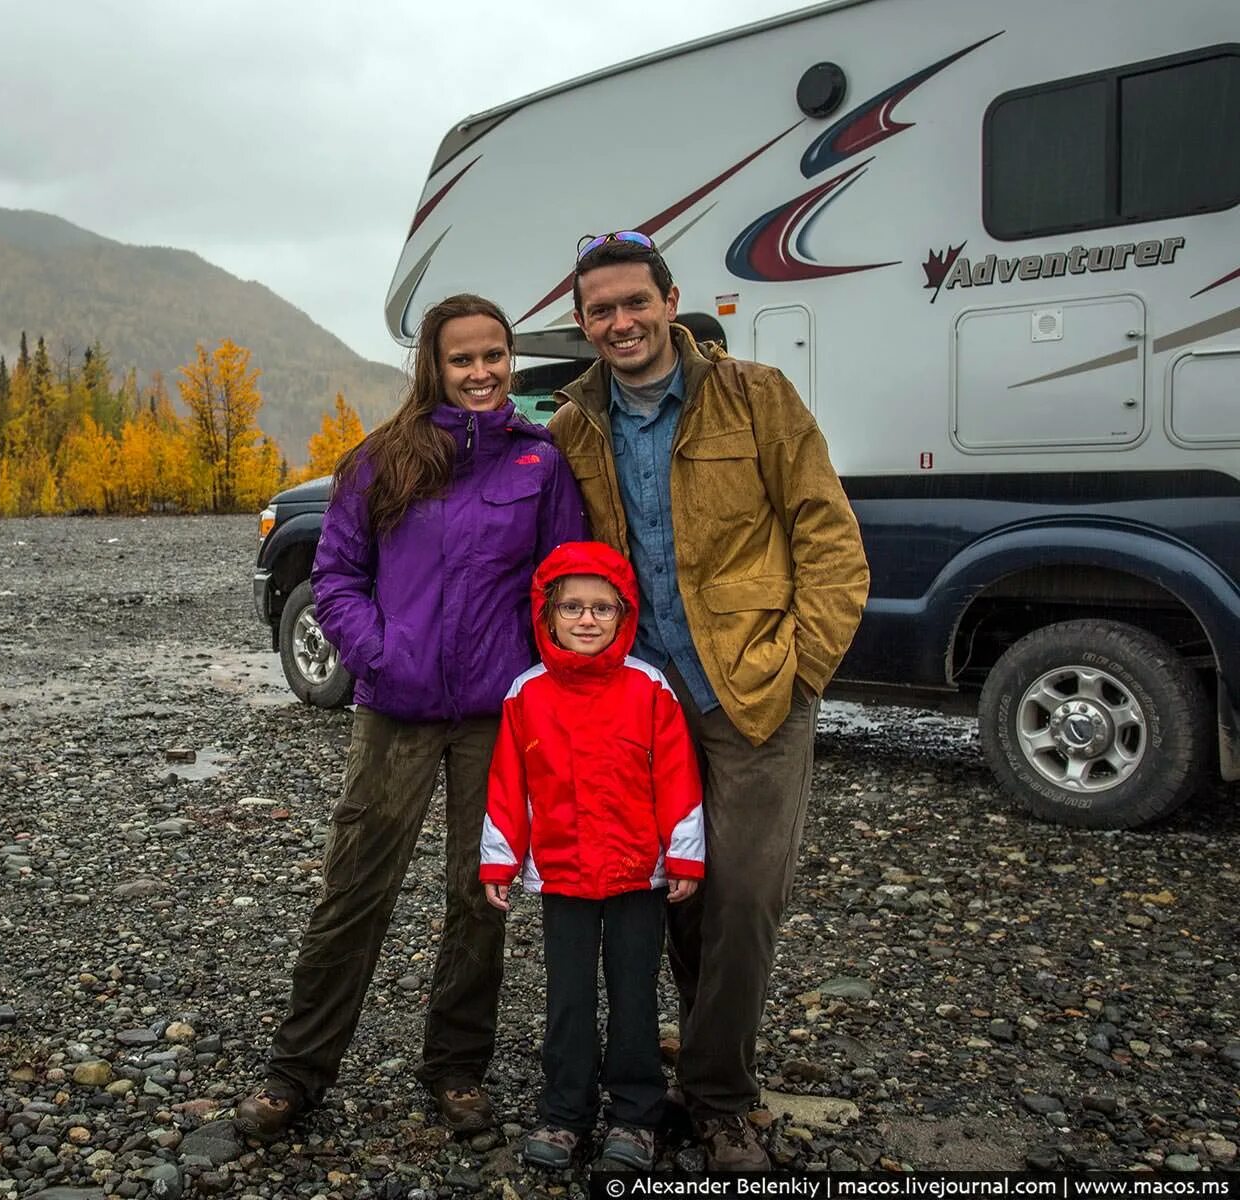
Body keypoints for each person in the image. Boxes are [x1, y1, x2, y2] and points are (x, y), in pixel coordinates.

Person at [547, 231, 870, 1170]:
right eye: (601, 309)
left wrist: (803, 666)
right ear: (582, 322)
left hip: (755, 690)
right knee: (673, 893)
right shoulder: (574, 428)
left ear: (670, 300)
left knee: (743, 894)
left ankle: (723, 1095)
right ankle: (697, 1054)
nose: (621, 322)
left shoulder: (755, 396)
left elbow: (830, 541)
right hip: (639, 705)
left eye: (635, 302)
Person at [233, 293, 587, 1140]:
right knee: (355, 887)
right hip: (395, 709)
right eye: (463, 358)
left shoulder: (539, 465)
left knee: (481, 896)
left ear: (510, 360)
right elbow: (338, 576)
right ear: (433, 362)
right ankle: (297, 1072)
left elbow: (565, 579)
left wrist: (543, 679)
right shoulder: (380, 461)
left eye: (494, 356)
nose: (481, 372)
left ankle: (457, 1070)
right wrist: (379, 655)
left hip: (496, 720)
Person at [479, 539, 704, 1172]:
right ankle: (565, 1113)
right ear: (546, 614)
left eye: (602, 609)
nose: (587, 620)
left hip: (638, 875)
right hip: (564, 878)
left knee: (634, 997)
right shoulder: (526, 694)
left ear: (624, 614)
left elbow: (678, 780)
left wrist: (684, 858)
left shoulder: (649, 686)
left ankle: (636, 1116)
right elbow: (508, 788)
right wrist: (499, 862)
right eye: (573, 607)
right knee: (569, 1000)